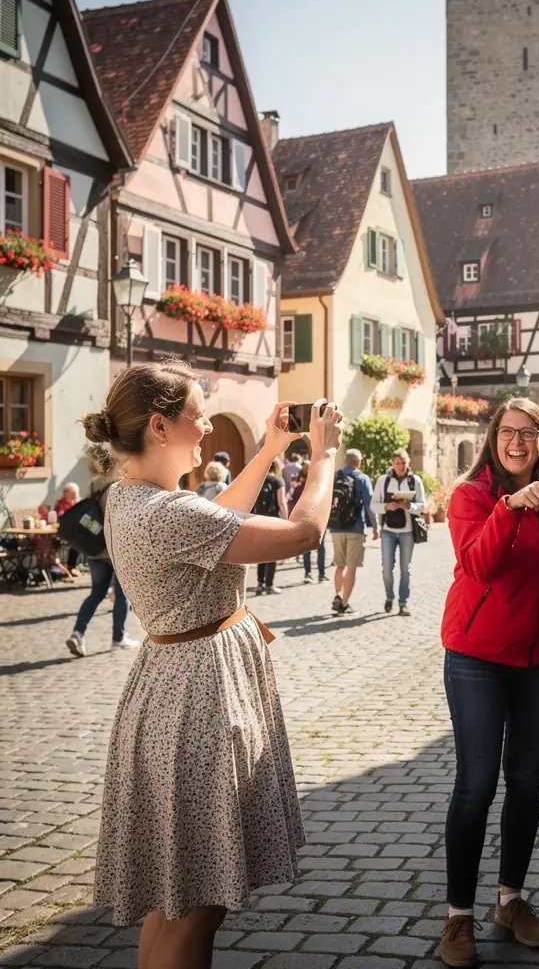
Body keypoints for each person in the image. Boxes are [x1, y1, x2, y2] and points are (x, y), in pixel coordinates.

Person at [81, 361, 342, 969]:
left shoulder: (130, 497)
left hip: (172, 688)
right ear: (160, 426)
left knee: (176, 897)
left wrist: (272, 448)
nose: (205, 430)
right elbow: (303, 532)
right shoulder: (167, 511)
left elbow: (218, 520)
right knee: (198, 907)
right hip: (200, 702)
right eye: (198, 417)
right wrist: (324, 455)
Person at [439, 398, 539, 968]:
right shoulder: (471, 496)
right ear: (493, 439)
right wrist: (510, 507)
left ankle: (510, 899)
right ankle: (458, 916)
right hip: (477, 656)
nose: (518, 442)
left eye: (529, 434)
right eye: (508, 433)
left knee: (527, 780)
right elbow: (478, 565)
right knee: (476, 783)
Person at [65, 448, 138, 657]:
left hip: (94, 549)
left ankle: (78, 634)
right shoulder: (121, 485)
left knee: (96, 593)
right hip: (115, 549)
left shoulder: (94, 483)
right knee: (122, 594)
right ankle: (118, 638)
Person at [371, 448, 425, 616]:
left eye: (403, 463)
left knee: (405, 569)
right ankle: (389, 596)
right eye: (397, 463)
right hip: (388, 531)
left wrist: (410, 506)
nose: (400, 466)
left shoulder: (414, 481)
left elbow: (423, 505)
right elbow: (373, 505)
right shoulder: (383, 481)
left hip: (407, 531)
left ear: (408, 463)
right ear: (392, 464)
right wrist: (387, 506)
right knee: (387, 568)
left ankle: (403, 603)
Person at [329, 449, 377, 614]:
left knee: (339, 565)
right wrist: (376, 527)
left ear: (345, 461)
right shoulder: (362, 478)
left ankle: (337, 595)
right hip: (356, 528)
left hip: (336, 527)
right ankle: (344, 603)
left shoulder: (335, 477)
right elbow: (370, 505)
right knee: (351, 567)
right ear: (359, 462)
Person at [287, 462, 327, 584]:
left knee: (306, 548)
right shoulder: (319, 487)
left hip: (305, 520)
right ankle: (321, 574)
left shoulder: (300, 488)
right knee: (320, 547)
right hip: (318, 520)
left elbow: (293, 504)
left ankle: (308, 573)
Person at [253, 458, 288, 595]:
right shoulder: (278, 481)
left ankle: (259, 583)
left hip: (259, 519)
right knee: (272, 552)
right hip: (273, 519)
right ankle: (269, 584)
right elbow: (281, 502)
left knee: (261, 553)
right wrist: (286, 520)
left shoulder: (259, 480)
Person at [54, 482, 82, 575]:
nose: (75, 495)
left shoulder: (77, 502)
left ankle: (71, 566)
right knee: (76, 540)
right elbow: (61, 516)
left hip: (73, 531)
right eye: (73, 493)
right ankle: (64, 566)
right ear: (66, 492)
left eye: (76, 493)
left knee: (80, 541)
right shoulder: (60, 503)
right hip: (61, 532)